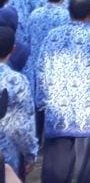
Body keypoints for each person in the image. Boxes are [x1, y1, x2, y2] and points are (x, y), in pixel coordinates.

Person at [34, 0, 90, 183]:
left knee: (55, 171)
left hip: (57, 112)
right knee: (86, 172)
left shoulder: (52, 37)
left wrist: (41, 102)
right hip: (86, 114)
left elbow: (40, 70)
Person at [0, 25, 37, 181]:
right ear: (13, 49)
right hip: (8, 156)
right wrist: (30, 154)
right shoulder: (16, 81)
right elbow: (22, 125)